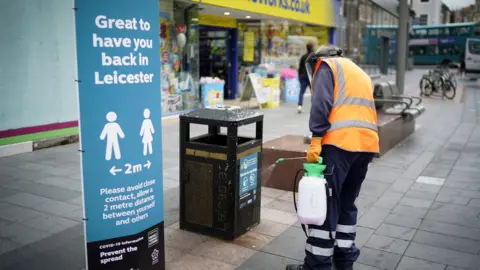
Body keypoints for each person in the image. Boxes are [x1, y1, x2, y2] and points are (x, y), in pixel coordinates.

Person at [287, 45, 379, 270]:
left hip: (339, 145)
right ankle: (344, 259)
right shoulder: (358, 71)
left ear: (319, 59)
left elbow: (321, 104)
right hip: (366, 145)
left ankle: (317, 265)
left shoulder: (327, 66)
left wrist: (316, 138)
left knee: (325, 205)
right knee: (347, 202)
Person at [297, 43, 314, 113]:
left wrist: (299, 76)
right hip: (311, 77)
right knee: (314, 93)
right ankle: (314, 107)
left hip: (303, 76)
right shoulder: (314, 57)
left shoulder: (303, 56)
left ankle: (299, 106)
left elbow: (300, 67)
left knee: (301, 92)